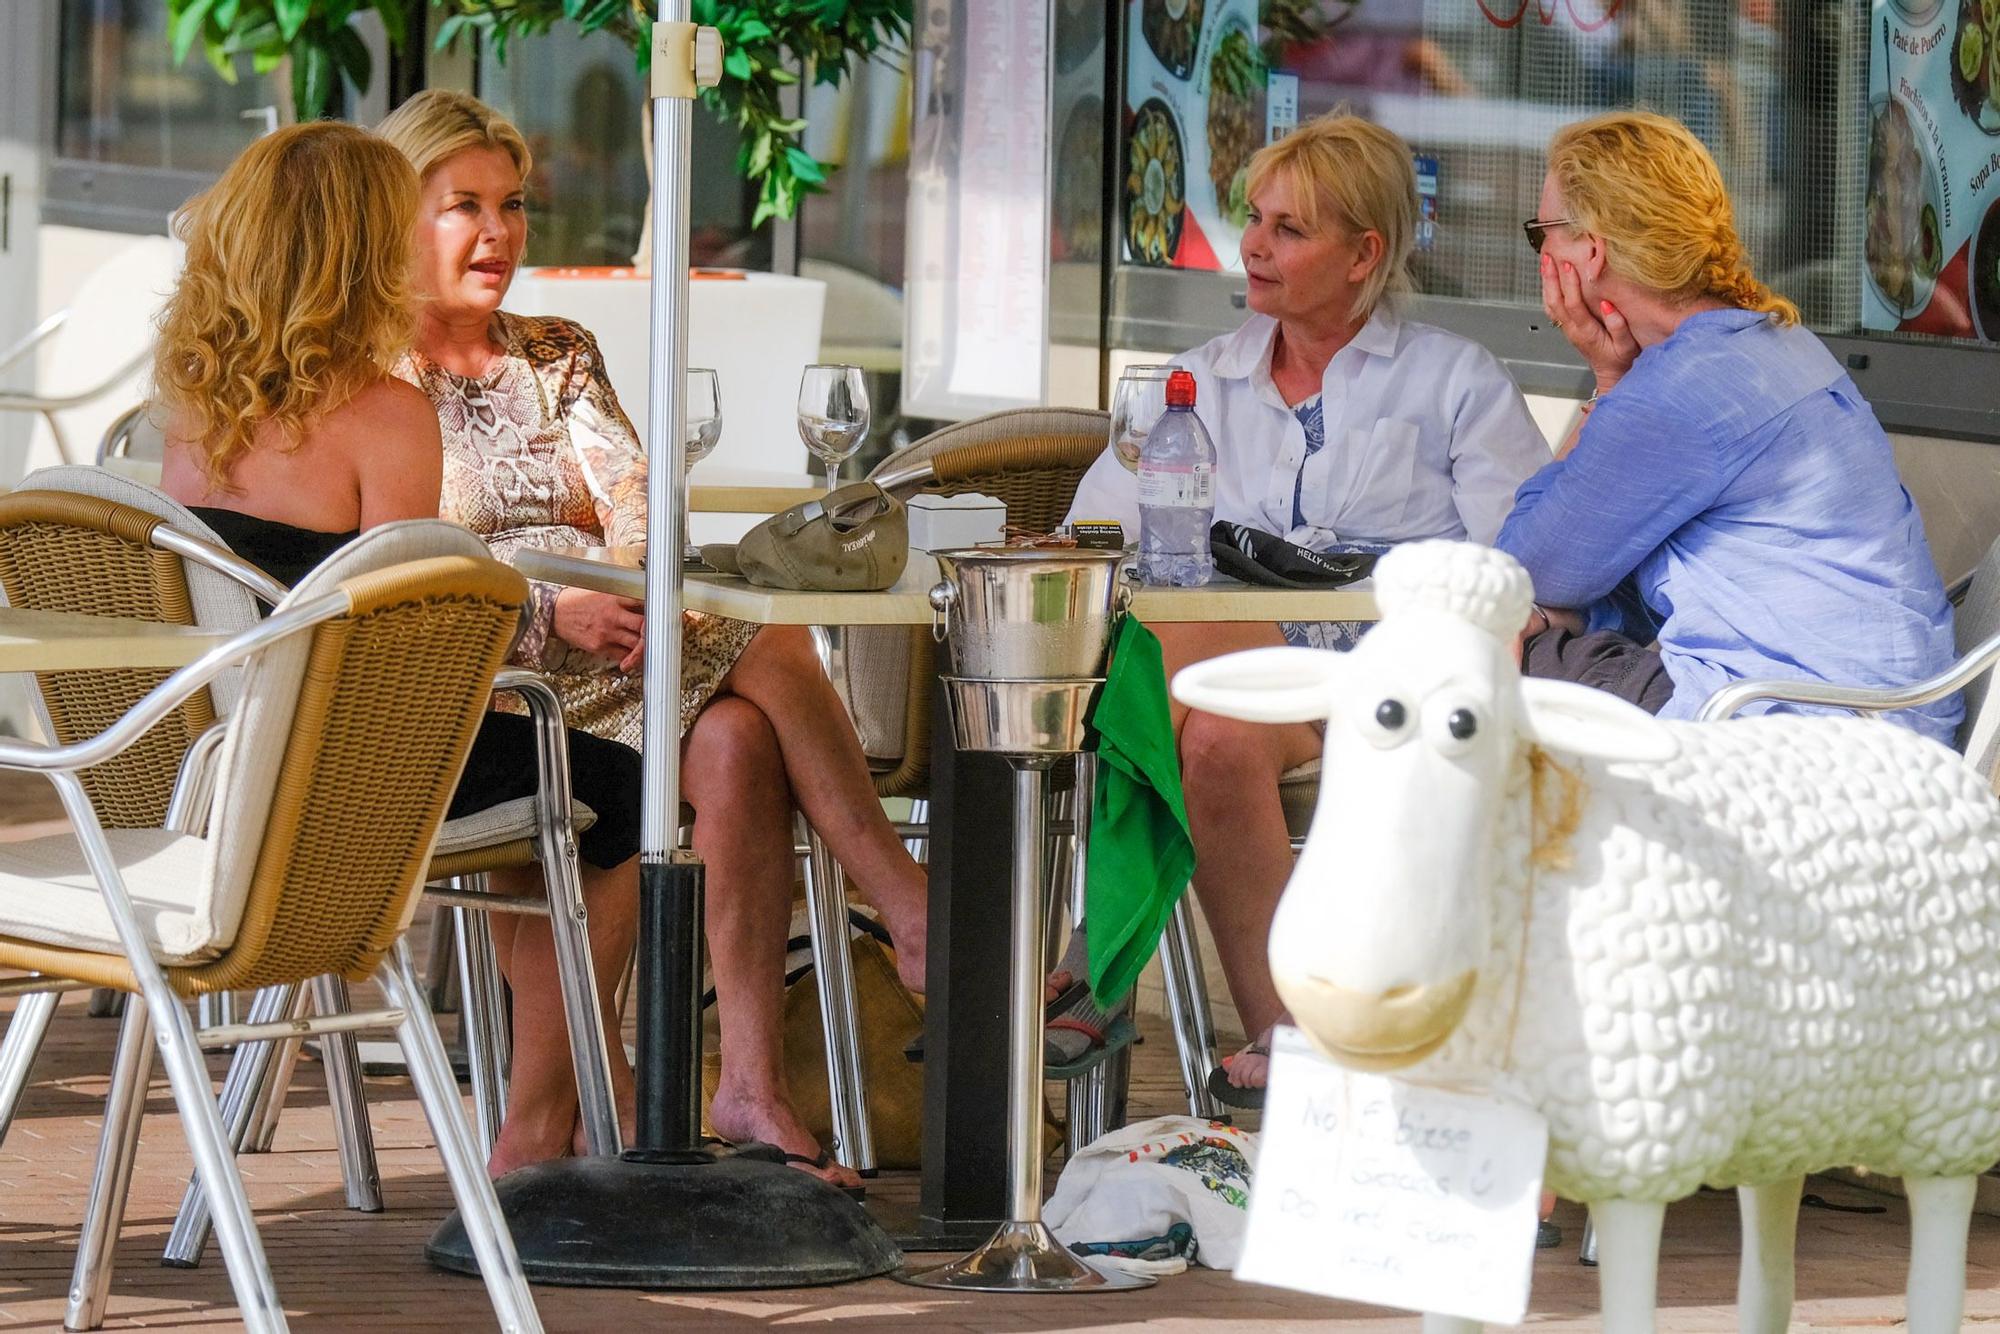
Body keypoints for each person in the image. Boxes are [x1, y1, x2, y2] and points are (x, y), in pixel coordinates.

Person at [375, 90, 929, 1192]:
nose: (497, 233)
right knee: (751, 645)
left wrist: (625, 582)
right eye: (463, 207)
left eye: (513, 205)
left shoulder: (556, 351)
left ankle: (744, 1088)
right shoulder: (377, 382)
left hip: (620, 654)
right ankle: (903, 899)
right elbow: (395, 569)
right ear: (396, 217)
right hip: (485, 685)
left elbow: (634, 499)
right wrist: (547, 607)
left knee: (733, 736)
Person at [154, 121, 660, 1183]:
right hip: (357, 775)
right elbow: (419, 639)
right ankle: (534, 1126)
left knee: (547, 802)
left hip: (229, 768)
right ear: (359, 251)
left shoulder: (192, 414)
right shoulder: (386, 415)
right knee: (622, 793)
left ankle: (576, 1093)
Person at [1066, 113, 1551, 1107]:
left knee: (1168, 646)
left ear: (1362, 253)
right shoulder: (1197, 379)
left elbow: (1518, 564)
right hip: (1237, 685)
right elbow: (1092, 533)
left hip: (1382, 676)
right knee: (1207, 741)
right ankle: (1287, 1032)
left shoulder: (1451, 380)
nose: (1252, 245)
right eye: (1254, 219)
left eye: (1288, 229)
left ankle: (1093, 958)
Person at [1498, 110, 1959, 743]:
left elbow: (1522, 567)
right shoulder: (1776, 339)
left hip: (1796, 733)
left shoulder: (1677, 391)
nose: (1542, 254)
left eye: (1540, 233)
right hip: (1890, 711)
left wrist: (1609, 380)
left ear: (1591, 250)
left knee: (1470, 655)